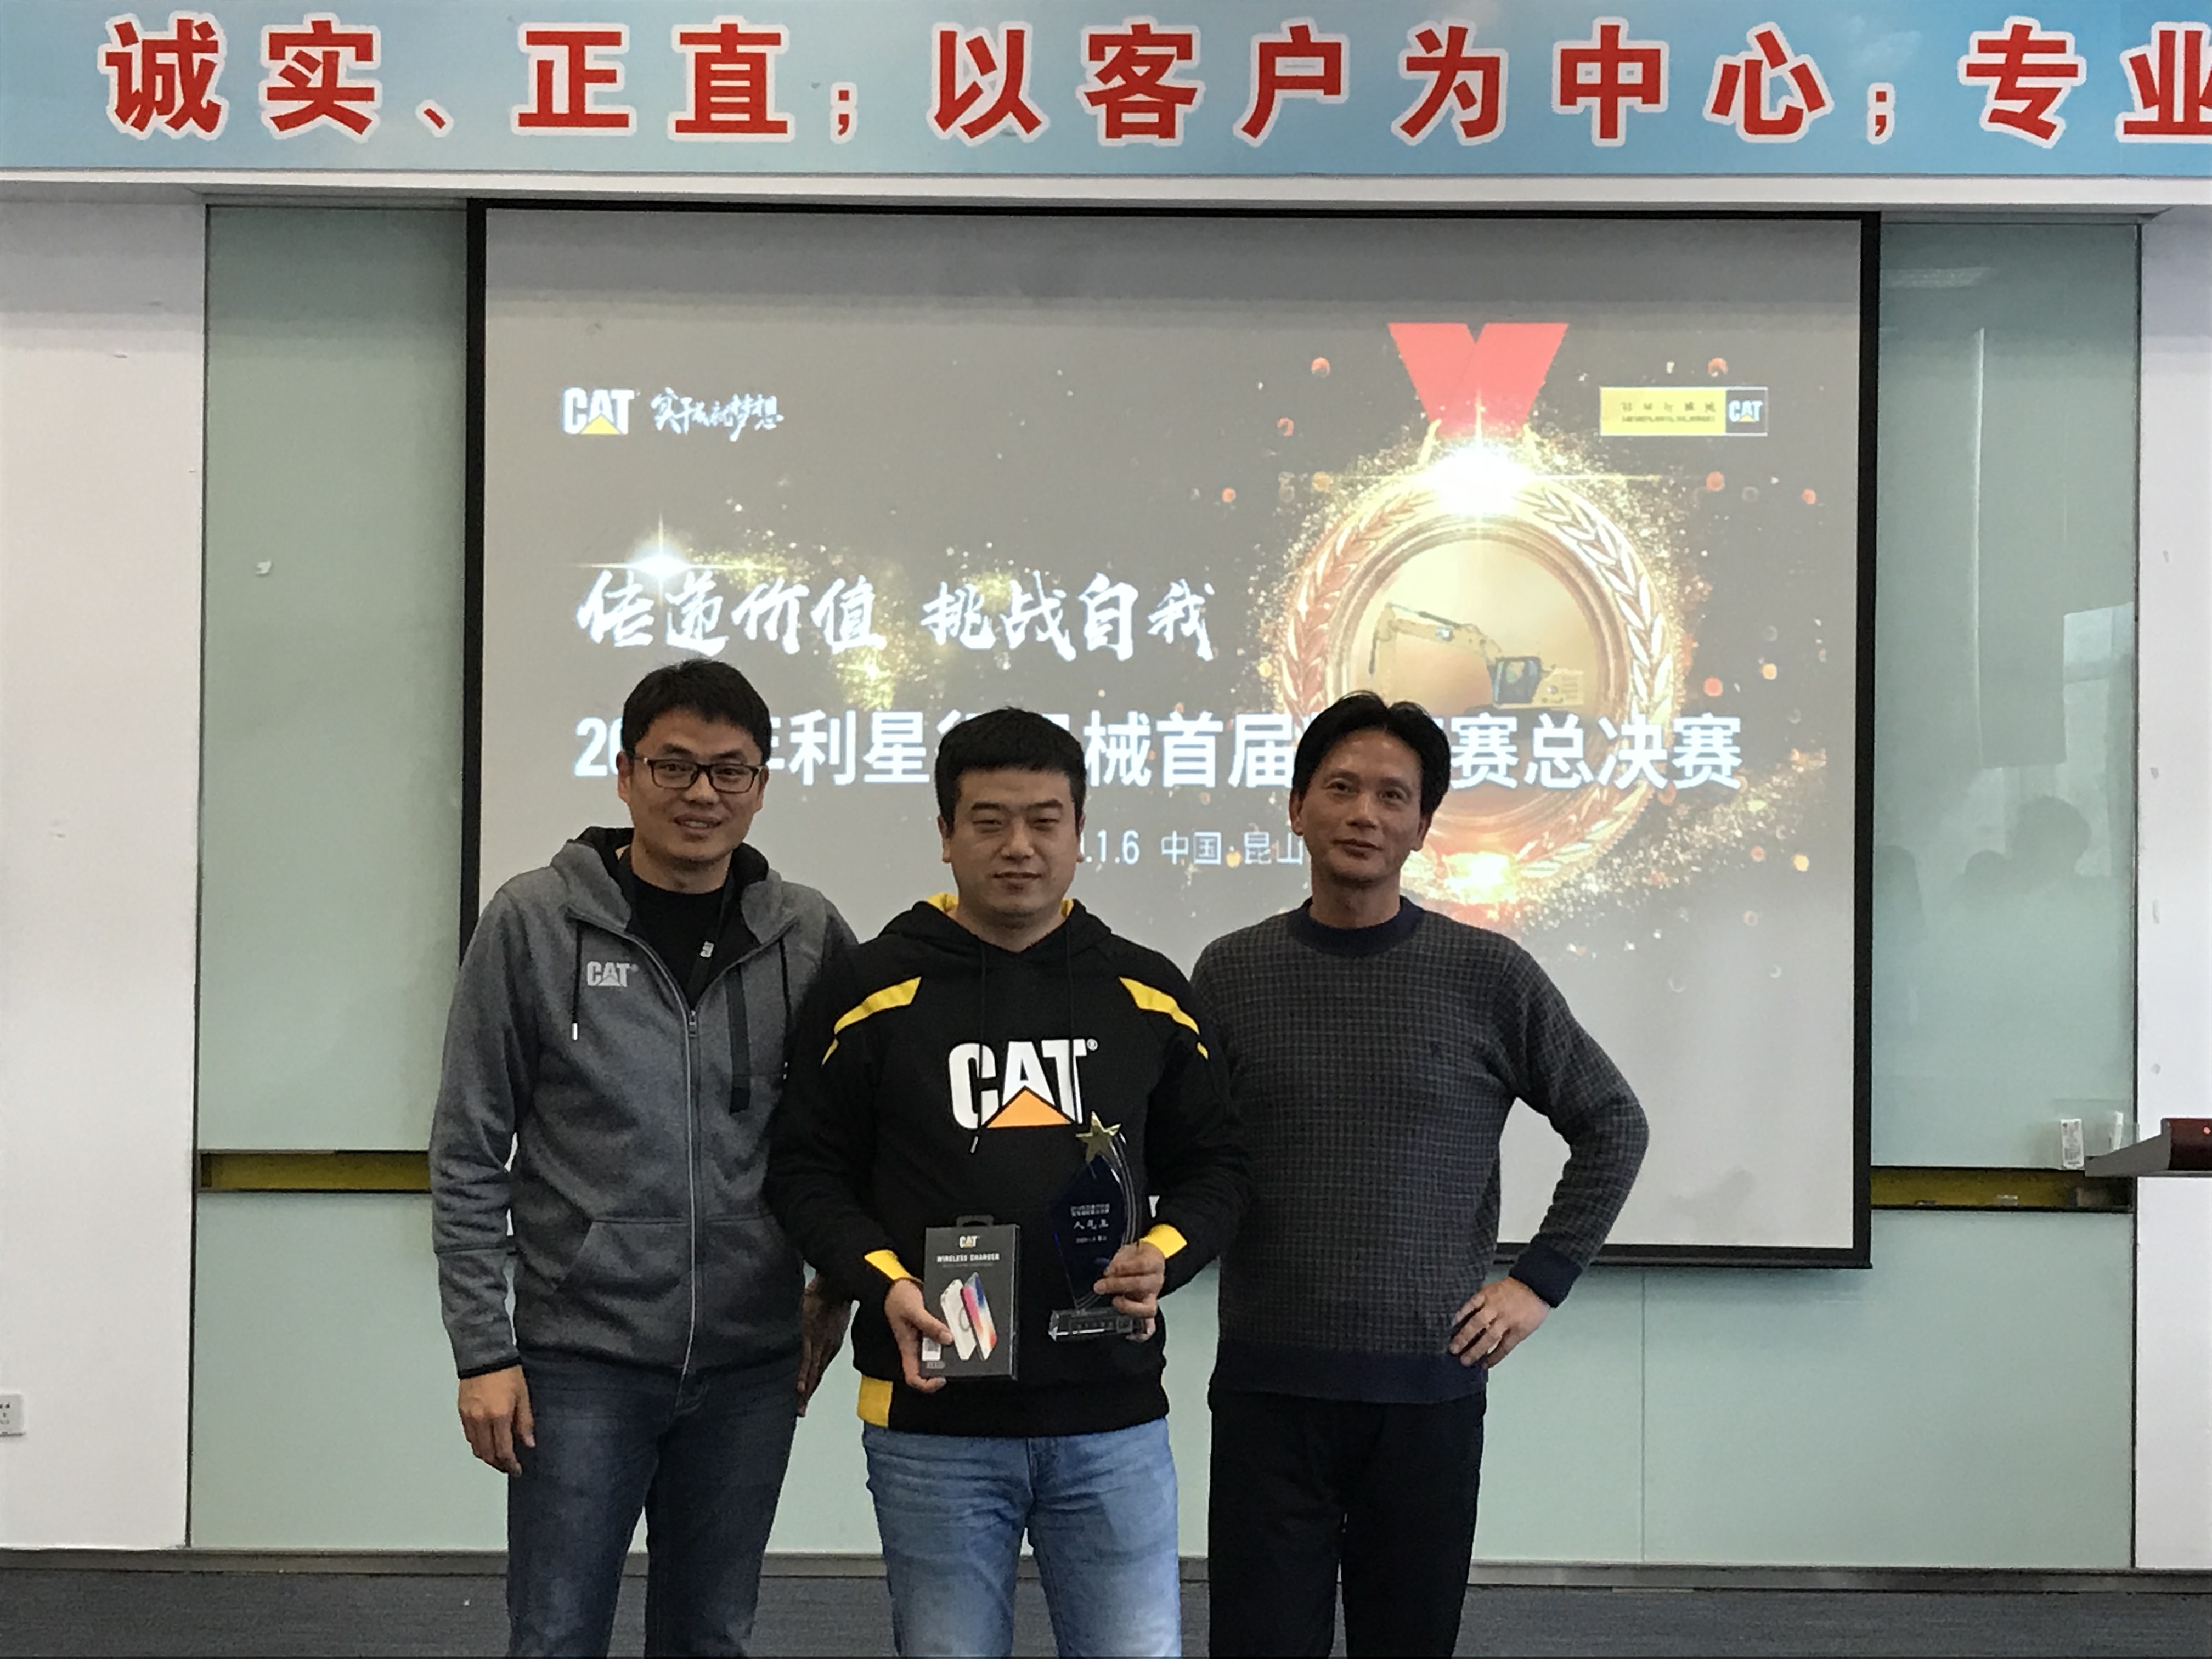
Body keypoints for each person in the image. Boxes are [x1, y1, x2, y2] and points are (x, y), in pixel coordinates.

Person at [766, 708, 1247, 1659]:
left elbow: (1220, 1166)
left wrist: (1164, 1254)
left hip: (1111, 1417)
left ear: (1081, 832)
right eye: (988, 822)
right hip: (932, 1423)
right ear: (946, 835)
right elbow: (806, 1172)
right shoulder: (871, 990)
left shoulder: (1147, 992)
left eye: (1044, 820)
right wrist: (883, 1283)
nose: (1018, 846)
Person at [1193, 692, 1649, 1658]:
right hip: (1270, 1390)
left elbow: (1614, 1124)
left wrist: (1538, 1282)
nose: (1365, 813)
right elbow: (1193, 1155)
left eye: (1393, 796)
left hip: (1427, 1395)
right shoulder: (1231, 973)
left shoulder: (1489, 974)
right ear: (1296, 807)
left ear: (1423, 826)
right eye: (1341, 788)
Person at [430, 659, 856, 1657]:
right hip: (580, 1361)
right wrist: (483, 1351)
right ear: (624, 774)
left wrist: (832, 1291)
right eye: (674, 766)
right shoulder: (535, 922)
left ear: (761, 784)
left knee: (712, 1635)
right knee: (556, 1633)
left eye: (729, 770)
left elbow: (850, 1136)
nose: (702, 793)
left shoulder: (805, 933)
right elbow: (468, 1147)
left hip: (751, 1363)